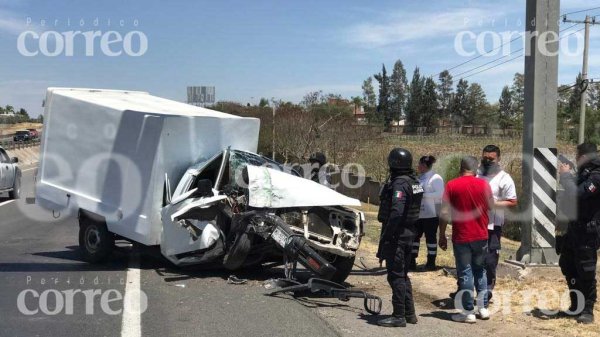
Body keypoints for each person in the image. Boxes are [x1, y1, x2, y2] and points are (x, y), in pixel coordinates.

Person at [439, 156, 493, 323]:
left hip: (461, 235)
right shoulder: (484, 185)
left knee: (465, 272)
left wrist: (441, 234)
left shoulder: (452, 185)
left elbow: (444, 213)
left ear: (460, 168)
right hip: (481, 234)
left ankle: (468, 311)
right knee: (480, 271)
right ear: (476, 169)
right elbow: (491, 207)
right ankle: (483, 308)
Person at [376, 148, 424, 327]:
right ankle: (409, 313)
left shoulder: (400, 184)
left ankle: (398, 316)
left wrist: (388, 235)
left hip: (398, 235)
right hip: (409, 233)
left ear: (394, 163)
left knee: (395, 275)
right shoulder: (414, 181)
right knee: (403, 274)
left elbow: (396, 211)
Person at [557, 142, 600, 324]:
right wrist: (568, 175)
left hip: (588, 230)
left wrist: (566, 175)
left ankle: (588, 310)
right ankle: (576, 305)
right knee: (568, 264)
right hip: (574, 228)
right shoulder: (585, 173)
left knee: (586, 270)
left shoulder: (597, 176)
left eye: (577, 156)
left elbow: (577, 194)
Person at [476, 145, 517, 302]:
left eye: (491, 159)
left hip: (493, 225)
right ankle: (466, 287)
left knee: (490, 259)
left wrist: (493, 203)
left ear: (498, 159)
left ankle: (488, 289)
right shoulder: (477, 175)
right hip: (474, 223)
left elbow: (512, 201)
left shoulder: (504, 178)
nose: (487, 161)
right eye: (485, 158)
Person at [411, 155, 444, 271]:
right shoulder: (419, 177)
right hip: (418, 213)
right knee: (414, 237)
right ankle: (411, 260)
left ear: (424, 165)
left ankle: (431, 262)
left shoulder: (436, 178)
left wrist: (423, 195)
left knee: (430, 238)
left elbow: (440, 194)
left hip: (431, 214)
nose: (418, 166)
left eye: (420, 164)